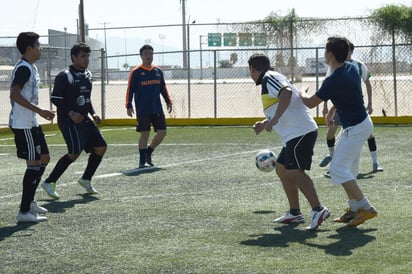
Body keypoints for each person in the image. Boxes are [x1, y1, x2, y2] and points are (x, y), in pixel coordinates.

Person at [300, 36, 377, 226]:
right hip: (360, 125)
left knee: (337, 170)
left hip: (356, 128)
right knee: (348, 170)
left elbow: (310, 103)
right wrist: (333, 110)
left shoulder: (333, 79)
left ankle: (367, 208)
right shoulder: (350, 68)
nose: (324, 54)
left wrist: (301, 90)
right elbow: (347, 92)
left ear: (330, 54)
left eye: (326, 51)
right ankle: (354, 208)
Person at [248, 53, 329, 230]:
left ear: (253, 69)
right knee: (282, 169)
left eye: (250, 71)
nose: (250, 75)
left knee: (294, 171)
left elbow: (286, 93)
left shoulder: (269, 77)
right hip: (293, 135)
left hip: (300, 132)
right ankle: (295, 213)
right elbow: (281, 103)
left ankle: (318, 209)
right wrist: (264, 123)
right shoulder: (269, 80)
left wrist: (275, 119)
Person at [41, 43, 107, 199]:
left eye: (87, 56)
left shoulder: (88, 75)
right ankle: (49, 182)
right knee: (74, 152)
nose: (86, 59)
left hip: (85, 120)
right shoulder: (65, 75)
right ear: (74, 57)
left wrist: (93, 113)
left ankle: (86, 179)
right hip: (69, 121)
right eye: (82, 56)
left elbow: (86, 99)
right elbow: (55, 98)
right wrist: (71, 113)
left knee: (101, 147)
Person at [9, 32, 55, 222]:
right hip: (23, 125)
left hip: (32, 123)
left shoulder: (31, 67)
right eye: (38, 45)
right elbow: (14, 94)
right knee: (34, 164)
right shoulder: (23, 69)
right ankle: (24, 211)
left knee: (44, 157)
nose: (40, 48)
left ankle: (30, 201)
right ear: (29, 48)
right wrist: (41, 110)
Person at [319, 42, 383, 173]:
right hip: (339, 107)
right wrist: (327, 107)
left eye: (347, 51)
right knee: (331, 131)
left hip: (355, 109)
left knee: (368, 134)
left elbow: (367, 83)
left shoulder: (357, 66)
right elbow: (327, 89)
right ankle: (332, 156)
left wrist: (370, 103)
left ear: (351, 52)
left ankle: (375, 162)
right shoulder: (333, 68)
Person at [125, 44, 173, 168]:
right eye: (146, 54)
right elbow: (130, 90)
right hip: (143, 109)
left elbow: (163, 88)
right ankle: (142, 161)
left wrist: (168, 101)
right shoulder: (136, 72)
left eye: (151, 54)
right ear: (141, 56)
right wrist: (128, 105)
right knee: (144, 133)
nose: (149, 56)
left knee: (162, 132)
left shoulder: (158, 71)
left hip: (156, 108)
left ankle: (149, 152)